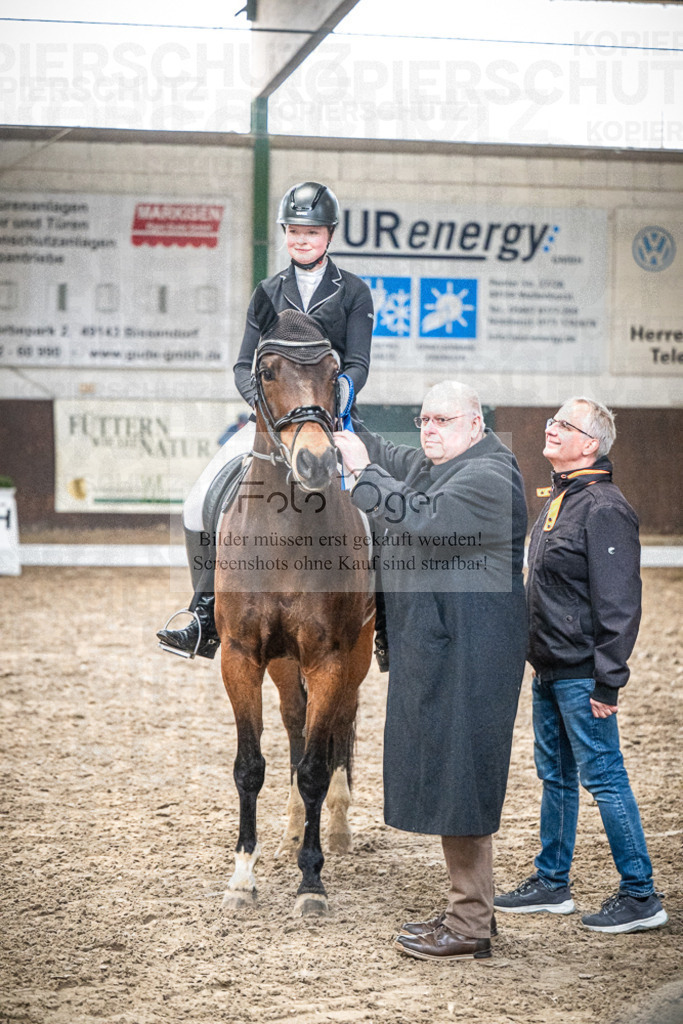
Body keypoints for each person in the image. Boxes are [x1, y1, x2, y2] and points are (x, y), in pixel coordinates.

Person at [334, 381, 528, 961]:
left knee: (462, 778)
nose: (428, 428)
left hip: (473, 654)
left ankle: (470, 925)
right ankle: (465, 912)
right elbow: (396, 459)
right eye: (422, 419)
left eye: (442, 419)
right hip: (449, 649)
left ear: (475, 424)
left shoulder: (490, 475)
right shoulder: (447, 463)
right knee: (451, 774)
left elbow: (425, 518)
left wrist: (363, 474)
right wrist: (344, 417)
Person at [157, 181, 376, 661]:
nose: (303, 240)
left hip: (332, 418)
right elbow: (242, 363)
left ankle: (388, 624)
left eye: (312, 232)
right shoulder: (268, 291)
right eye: (294, 231)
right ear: (284, 233)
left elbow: (357, 361)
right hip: (271, 420)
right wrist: (263, 405)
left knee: (379, 504)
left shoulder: (354, 292)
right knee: (197, 503)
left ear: (330, 235)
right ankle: (203, 612)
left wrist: (334, 400)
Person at [494, 398, 668, 934]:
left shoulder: (604, 507)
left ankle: (641, 894)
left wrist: (608, 680)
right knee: (557, 778)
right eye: (552, 421)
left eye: (563, 425)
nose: (550, 429)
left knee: (606, 778)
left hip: (582, 676)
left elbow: (620, 605)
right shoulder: (562, 498)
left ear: (589, 444)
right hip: (548, 668)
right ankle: (553, 882)